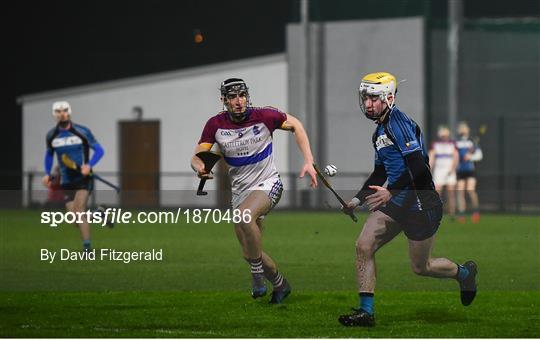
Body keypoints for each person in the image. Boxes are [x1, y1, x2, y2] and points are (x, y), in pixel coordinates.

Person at [338, 72, 477, 327]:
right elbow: (380, 172)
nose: (367, 103)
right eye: (365, 97)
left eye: (373, 98)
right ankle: (366, 312)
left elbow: (420, 168)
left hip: (421, 205)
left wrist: (390, 191)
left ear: (389, 98)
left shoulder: (398, 124)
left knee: (421, 267)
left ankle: (465, 273)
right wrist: (357, 200)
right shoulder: (379, 130)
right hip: (398, 203)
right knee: (364, 245)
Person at [191, 78, 318, 304]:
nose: (238, 101)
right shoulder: (215, 124)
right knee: (249, 253)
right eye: (232, 97)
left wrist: (308, 160)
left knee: (245, 217)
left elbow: (296, 125)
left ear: (247, 96)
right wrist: (199, 167)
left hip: (269, 183)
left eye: (242, 96)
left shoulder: (265, 116)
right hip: (240, 192)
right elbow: (198, 155)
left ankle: (257, 276)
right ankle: (281, 285)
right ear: (224, 100)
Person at [41, 101, 108, 252]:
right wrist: (47, 174)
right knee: (74, 220)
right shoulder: (51, 135)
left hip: (83, 179)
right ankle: (98, 214)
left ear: (69, 112)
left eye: (64, 110)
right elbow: (49, 155)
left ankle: (87, 249)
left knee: (78, 212)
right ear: (54, 114)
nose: (62, 113)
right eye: (58, 111)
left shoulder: (82, 131)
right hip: (66, 181)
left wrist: (89, 165)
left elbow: (100, 151)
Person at [428, 126, 459, 219]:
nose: (444, 137)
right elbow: (431, 157)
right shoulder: (435, 145)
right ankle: (436, 212)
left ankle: (452, 213)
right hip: (439, 171)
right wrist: (429, 169)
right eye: (443, 135)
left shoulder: (452, 144)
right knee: (437, 192)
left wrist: (453, 169)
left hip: (449, 171)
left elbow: (455, 157)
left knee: (451, 192)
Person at [456, 121, 483, 223]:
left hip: (470, 170)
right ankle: (461, 214)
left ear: (467, 130)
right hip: (460, 170)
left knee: (470, 190)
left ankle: (476, 212)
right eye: (461, 128)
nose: (462, 130)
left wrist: (470, 157)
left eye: (464, 128)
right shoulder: (456, 142)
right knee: (460, 191)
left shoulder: (472, 142)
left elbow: (480, 156)